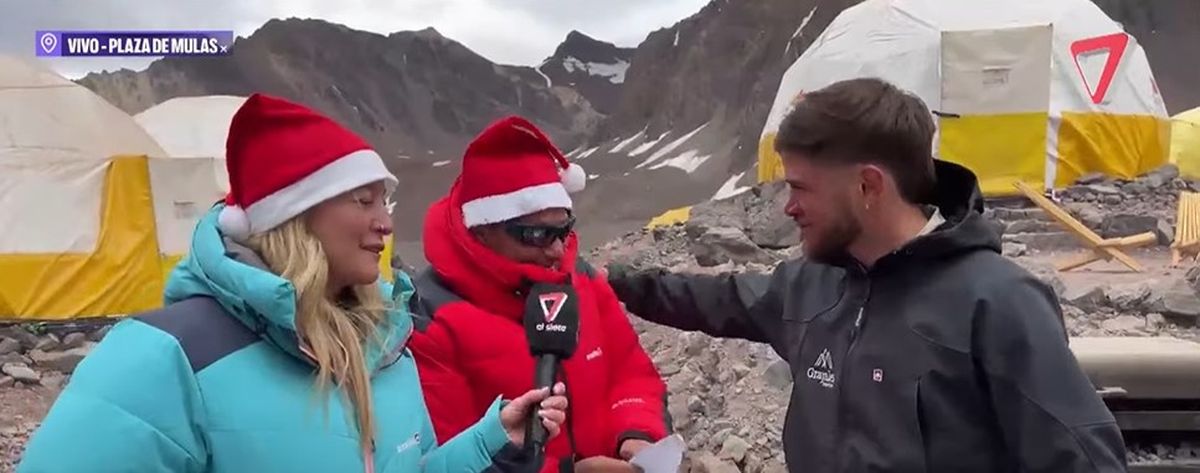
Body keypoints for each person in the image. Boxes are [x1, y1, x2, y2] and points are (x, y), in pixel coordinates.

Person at [17, 94, 568, 473]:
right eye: (363, 200)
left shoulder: (385, 344)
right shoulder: (170, 356)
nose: (386, 221)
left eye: (386, 200)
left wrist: (491, 438)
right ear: (296, 217)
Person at [605, 78, 1128, 472]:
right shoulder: (810, 288)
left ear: (869, 186)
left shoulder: (998, 305)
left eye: (801, 188)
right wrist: (609, 280)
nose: (788, 208)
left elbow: (1084, 460)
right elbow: (711, 298)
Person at [407, 116, 670, 473]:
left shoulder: (583, 281)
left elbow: (631, 374)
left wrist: (636, 435)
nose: (558, 250)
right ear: (481, 231)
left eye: (564, 229)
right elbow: (447, 459)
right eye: (536, 235)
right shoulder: (431, 318)